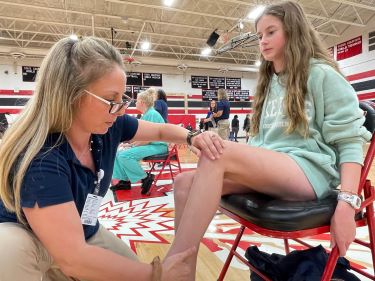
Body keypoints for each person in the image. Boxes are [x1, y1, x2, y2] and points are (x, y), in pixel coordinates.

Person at [164, 2, 372, 280]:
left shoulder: (322, 74)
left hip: (310, 173)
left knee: (218, 152)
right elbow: (261, 143)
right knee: (183, 183)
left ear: (293, 31)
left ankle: (171, 269)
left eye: (270, 32)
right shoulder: (269, 83)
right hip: (276, 172)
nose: (262, 41)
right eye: (260, 35)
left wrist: (346, 206)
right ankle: (182, 271)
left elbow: (349, 142)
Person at [0, 36, 224, 281]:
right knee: (8, 248)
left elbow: (160, 130)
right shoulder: (41, 158)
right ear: (71, 95)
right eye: (111, 100)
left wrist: (192, 137)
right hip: (30, 239)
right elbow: (73, 257)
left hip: (82, 233)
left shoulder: (108, 126)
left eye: (122, 99)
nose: (121, 109)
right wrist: (156, 274)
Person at [111, 88, 167, 194]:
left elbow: (148, 139)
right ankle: (124, 181)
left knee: (124, 155)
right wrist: (128, 143)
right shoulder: (146, 115)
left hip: (159, 147)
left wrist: (132, 146)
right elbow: (141, 137)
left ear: (142, 102)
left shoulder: (152, 114)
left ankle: (145, 177)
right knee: (117, 152)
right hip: (151, 145)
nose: (135, 103)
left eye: (136, 101)